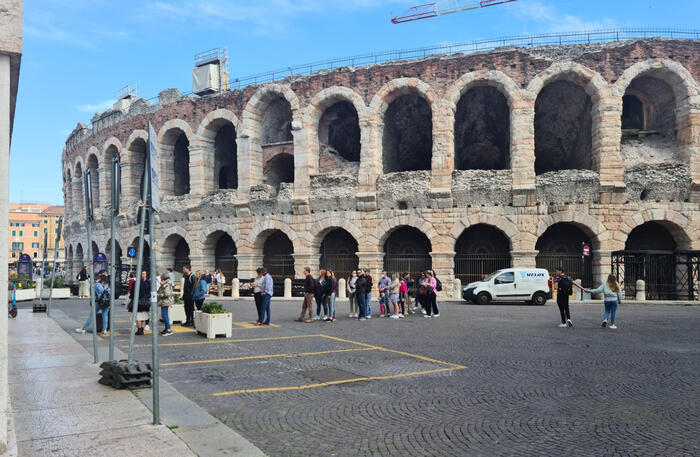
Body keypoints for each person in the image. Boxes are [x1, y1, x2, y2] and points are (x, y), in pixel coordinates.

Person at [133, 271, 150, 335]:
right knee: (144, 316)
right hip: (145, 302)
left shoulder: (136, 283)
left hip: (138, 302)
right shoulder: (146, 283)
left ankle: (139, 330)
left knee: (138, 317)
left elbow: (132, 293)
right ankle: (142, 330)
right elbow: (149, 292)